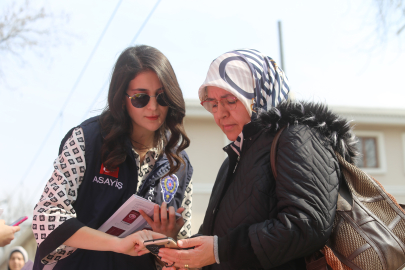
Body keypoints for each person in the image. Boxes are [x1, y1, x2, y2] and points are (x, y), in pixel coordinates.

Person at [158, 49, 358, 270]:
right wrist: (188, 259)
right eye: (213, 104)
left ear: (259, 94)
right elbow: (218, 239)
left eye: (231, 100)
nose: (220, 113)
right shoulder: (233, 160)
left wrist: (218, 250)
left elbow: (307, 225)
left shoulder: (297, 137)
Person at [32, 45, 194, 270]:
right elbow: (46, 218)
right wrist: (117, 244)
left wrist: (167, 239)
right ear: (122, 98)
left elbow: (179, 260)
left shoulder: (180, 164)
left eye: (162, 96)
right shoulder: (86, 140)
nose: (153, 106)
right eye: (140, 97)